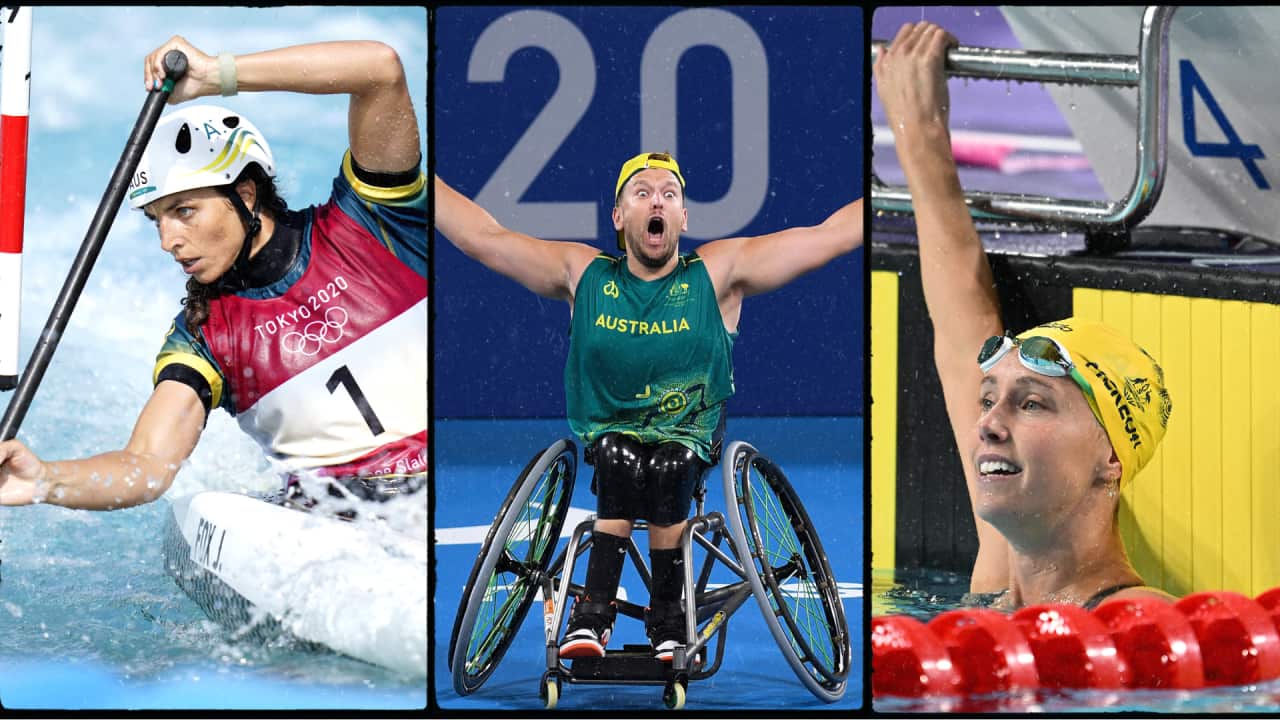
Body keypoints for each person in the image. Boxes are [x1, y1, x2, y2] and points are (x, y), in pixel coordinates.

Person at [436, 153, 861, 660]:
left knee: (669, 466)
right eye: (642, 192)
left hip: (689, 432)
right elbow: (485, 238)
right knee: (618, 457)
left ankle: (667, 618)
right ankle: (592, 616)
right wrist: (415, 177)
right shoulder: (584, 273)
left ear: (684, 218)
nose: (656, 199)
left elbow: (829, 235)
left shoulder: (719, 272)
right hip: (610, 431)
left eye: (669, 193)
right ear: (619, 217)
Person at [0, 36, 426, 512]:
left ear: (245, 194)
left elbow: (380, 69)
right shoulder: (203, 335)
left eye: (184, 210)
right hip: (332, 521)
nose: (168, 241)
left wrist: (217, 75)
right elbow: (145, 465)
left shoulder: (369, 222)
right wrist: (43, 480)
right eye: (156, 219)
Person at [874, 21, 1174, 609]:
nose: (984, 423)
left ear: (1110, 457)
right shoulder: (997, 582)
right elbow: (962, 341)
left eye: (1031, 402)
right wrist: (918, 128)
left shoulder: (1137, 621)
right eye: (989, 399)